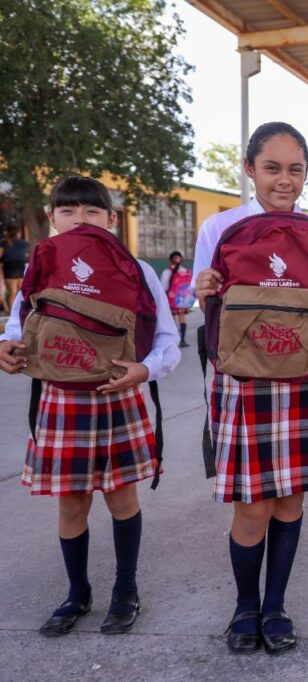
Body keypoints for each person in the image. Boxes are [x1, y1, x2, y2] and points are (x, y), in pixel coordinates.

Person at [192, 122, 308, 655]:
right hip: (245, 379)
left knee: (289, 503)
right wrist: (204, 288)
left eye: (295, 170)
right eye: (273, 168)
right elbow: (208, 305)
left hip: (305, 378)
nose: (285, 180)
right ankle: (244, 608)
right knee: (252, 507)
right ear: (249, 169)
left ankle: (276, 605)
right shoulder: (220, 228)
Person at [0, 176, 181, 637]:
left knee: (122, 498)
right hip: (61, 399)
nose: (80, 219)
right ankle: (77, 594)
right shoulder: (44, 264)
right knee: (72, 504)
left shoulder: (135, 268)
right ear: (51, 217)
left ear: (112, 220)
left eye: (92, 211)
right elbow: (19, 325)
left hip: (117, 394)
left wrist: (147, 370)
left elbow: (167, 341)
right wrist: (6, 347)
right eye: (68, 211)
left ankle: (126, 590)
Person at [159, 251, 191, 347]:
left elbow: (163, 287)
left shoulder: (166, 272)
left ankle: (174, 340)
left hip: (170, 299)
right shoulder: (185, 271)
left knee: (172, 319)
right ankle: (183, 340)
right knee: (182, 317)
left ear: (170, 260)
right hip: (182, 298)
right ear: (181, 259)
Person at [1, 225, 30, 313]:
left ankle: (12, 312)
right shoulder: (24, 242)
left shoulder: (4, 242)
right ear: (18, 233)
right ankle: (19, 311)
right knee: (19, 291)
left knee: (13, 292)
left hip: (10, 267)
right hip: (22, 265)